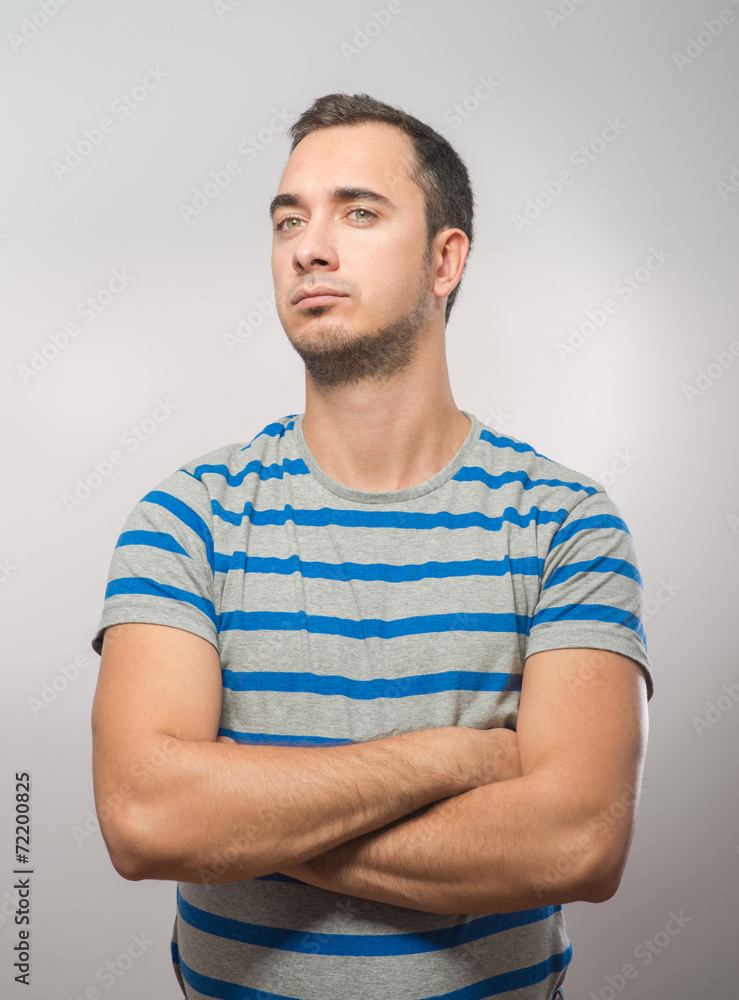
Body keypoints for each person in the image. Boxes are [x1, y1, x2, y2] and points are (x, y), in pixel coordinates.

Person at [90, 92, 652, 1000]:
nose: (310, 246)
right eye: (288, 220)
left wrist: (250, 821)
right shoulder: (186, 515)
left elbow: (576, 844)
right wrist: (456, 762)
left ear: (445, 259)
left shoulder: (564, 521)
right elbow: (147, 820)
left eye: (358, 211)